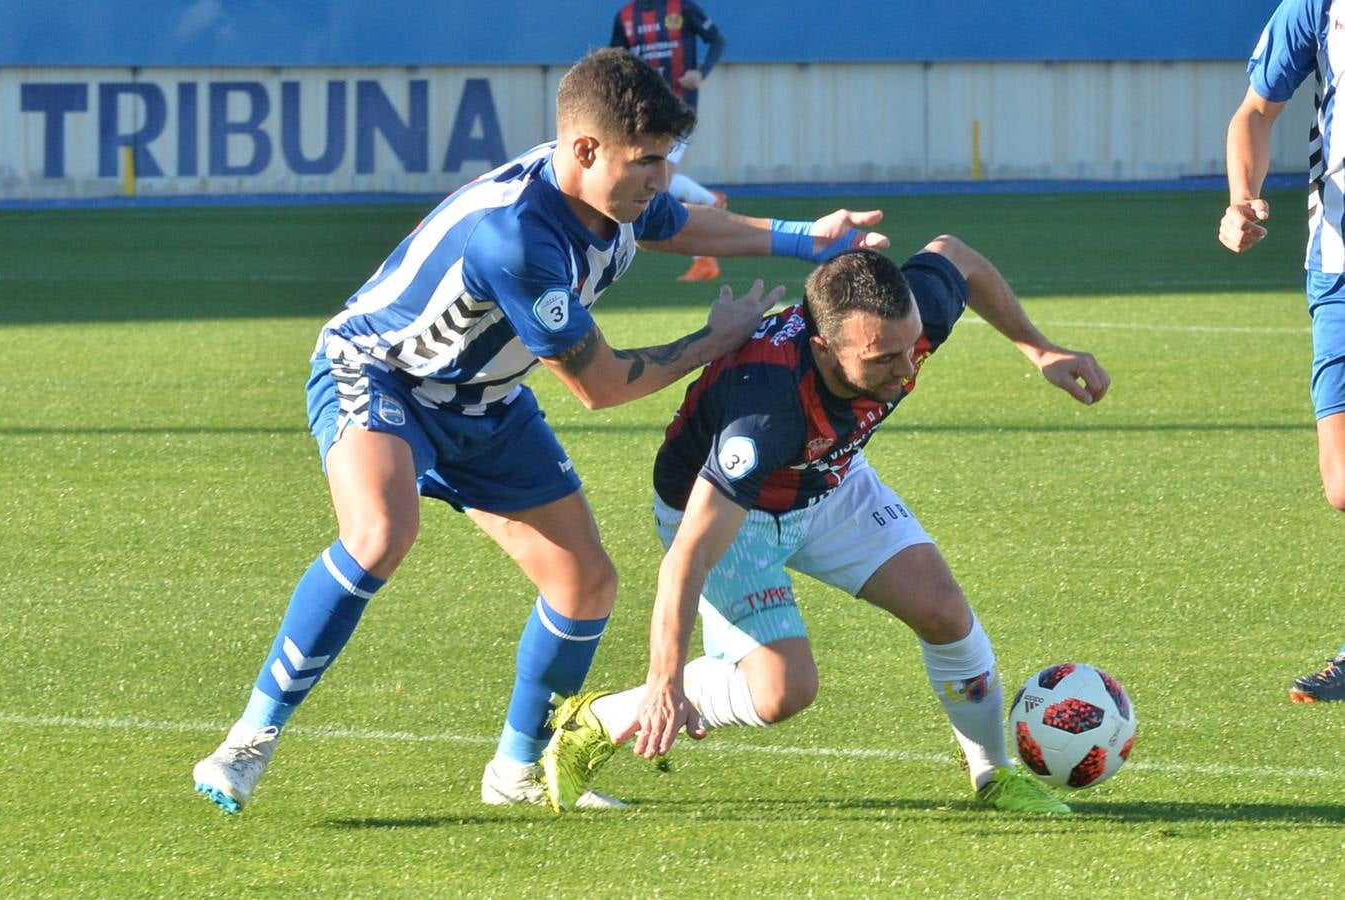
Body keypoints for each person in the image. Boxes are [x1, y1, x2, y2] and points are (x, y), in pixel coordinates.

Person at [190, 47, 890, 815]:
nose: (659, 178)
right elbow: (601, 386)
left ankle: (516, 773)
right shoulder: (518, 240)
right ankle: (247, 742)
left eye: (664, 160)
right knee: (382, 533)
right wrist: (710, 340)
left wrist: (806, 237)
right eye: (646, 161)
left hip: (484, 400)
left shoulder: (608, 193)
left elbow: (682, 225)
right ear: (585, 149)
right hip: (382, 374)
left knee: (585, 582)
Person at [541, 241, 1111, 814]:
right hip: (733, 510)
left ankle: (993, 776)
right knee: (784, 691)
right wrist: (665, 683)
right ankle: (596, 720)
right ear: (823, 347)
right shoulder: (764, 413)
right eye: (883, 358)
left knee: (943, 611)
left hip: (829, 476)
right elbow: (688, 556)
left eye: (911, 347)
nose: (907, 368)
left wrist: (1040, 351)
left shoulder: (903, 321)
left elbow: (956, 256)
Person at [1220, 0, 1345, 703]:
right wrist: (1241, 198)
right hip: (1338, 263)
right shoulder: (1315, 8)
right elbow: (1254, 112)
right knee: (1341, 484)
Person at [611, 0, 729, 282]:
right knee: (650, 177)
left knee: (657, 175)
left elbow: (717, 40)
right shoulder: (625, 16)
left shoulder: (681, 8)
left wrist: (700, 72)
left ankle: (705, 255)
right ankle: (708, 201)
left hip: (678, 109)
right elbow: (615, 63)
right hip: (641, 112)